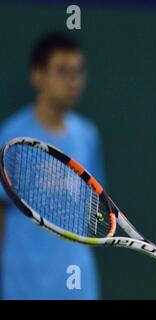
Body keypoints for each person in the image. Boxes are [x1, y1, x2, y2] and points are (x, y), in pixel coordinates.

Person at [0, 32, 104, 299]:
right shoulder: (11, 137)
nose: (73, 80)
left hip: (79, 286)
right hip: (23, 285)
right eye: (62, 71)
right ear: (38, 75)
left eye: (78, 71)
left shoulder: (88, 135)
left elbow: (94, 212)